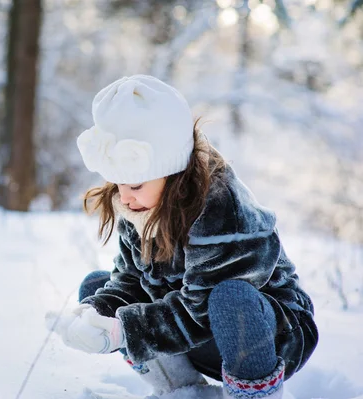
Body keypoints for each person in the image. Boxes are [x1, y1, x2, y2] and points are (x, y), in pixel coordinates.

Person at [48, 75, 318, 399]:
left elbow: (201, 310)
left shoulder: (221, 207)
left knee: (228, 298)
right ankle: (180, 389)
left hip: (264, 334)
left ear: (172, 171)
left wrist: (125, 331)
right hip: (194, 335)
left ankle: (254, 394)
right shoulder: (140, 205)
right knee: (97, 287)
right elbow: (130, 281)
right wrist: (94, 317)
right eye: (117, 183)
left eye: (135, 184)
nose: (125, 197)